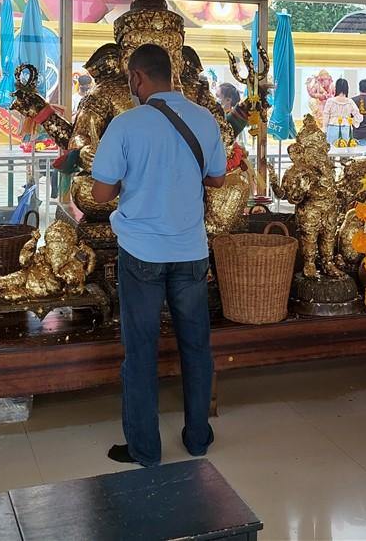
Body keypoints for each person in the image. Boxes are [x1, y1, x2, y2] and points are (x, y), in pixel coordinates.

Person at [90, 43, 227, 468]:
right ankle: (198, 438)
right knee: (196, 346)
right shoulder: (206, 119)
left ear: (136, 78)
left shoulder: (126, 124)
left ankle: (145, 449)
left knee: (142, 350)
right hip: (190, 251)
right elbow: (219, 179)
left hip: (142, 253)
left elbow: (99, 193)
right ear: (173, 74)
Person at [321, 78, 363, 146]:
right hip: (346, 128)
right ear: (347, 89)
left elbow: (326, 117)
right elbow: (359, 117)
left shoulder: (330, 101)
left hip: (332, 128)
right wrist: (352, 121)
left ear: (336, 88)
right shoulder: (350, 102)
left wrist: (324, 129)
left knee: (331, 151)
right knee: (345, 151)